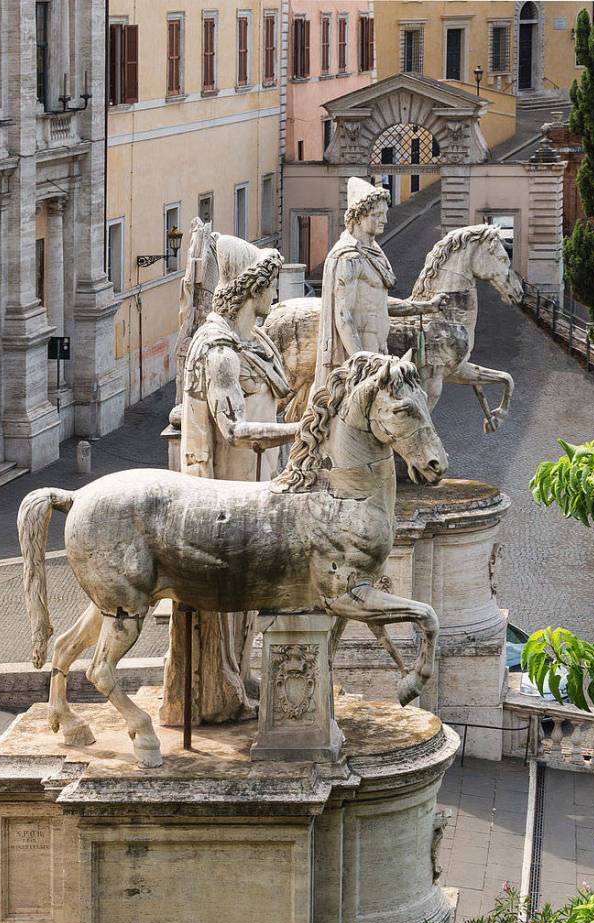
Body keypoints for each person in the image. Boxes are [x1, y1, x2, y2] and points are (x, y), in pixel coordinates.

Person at [161, 238, 298, 726]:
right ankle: (217, 688)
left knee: (247, 602)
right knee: (228, 600)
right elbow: (235, 431)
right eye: (272, 283)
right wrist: (303, 432)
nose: (277, 292)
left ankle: (234, 678)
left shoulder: (255, 340)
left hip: (261, 486)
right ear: (252, 288)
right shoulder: (219, 352)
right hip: (225, 494)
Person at [316, 176, 447, 388]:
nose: (385, 220)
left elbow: (378, 302)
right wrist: (362, 363)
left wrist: (425, 307)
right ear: (358, 217)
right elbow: (343, 317)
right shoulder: (349, 257)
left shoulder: (373, 252)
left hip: (378, 350)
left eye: (384, 214)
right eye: (377, 215)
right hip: (361, 359)